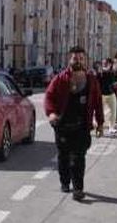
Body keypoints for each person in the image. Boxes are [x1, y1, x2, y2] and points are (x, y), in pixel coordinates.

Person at [44, 46, 103, 201]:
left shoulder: (92, 80)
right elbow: (49, 97)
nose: (78, 61)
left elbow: (97, 102)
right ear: (69, 60)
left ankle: (78, 188)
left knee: (78, 158)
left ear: (85, 60)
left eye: (81, 58)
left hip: (82, 126)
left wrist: (100, 122)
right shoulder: (60, 79)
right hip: (62, 125)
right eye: (75, 58)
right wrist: (51, 114)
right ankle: (65, 181)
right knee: (63, 157)